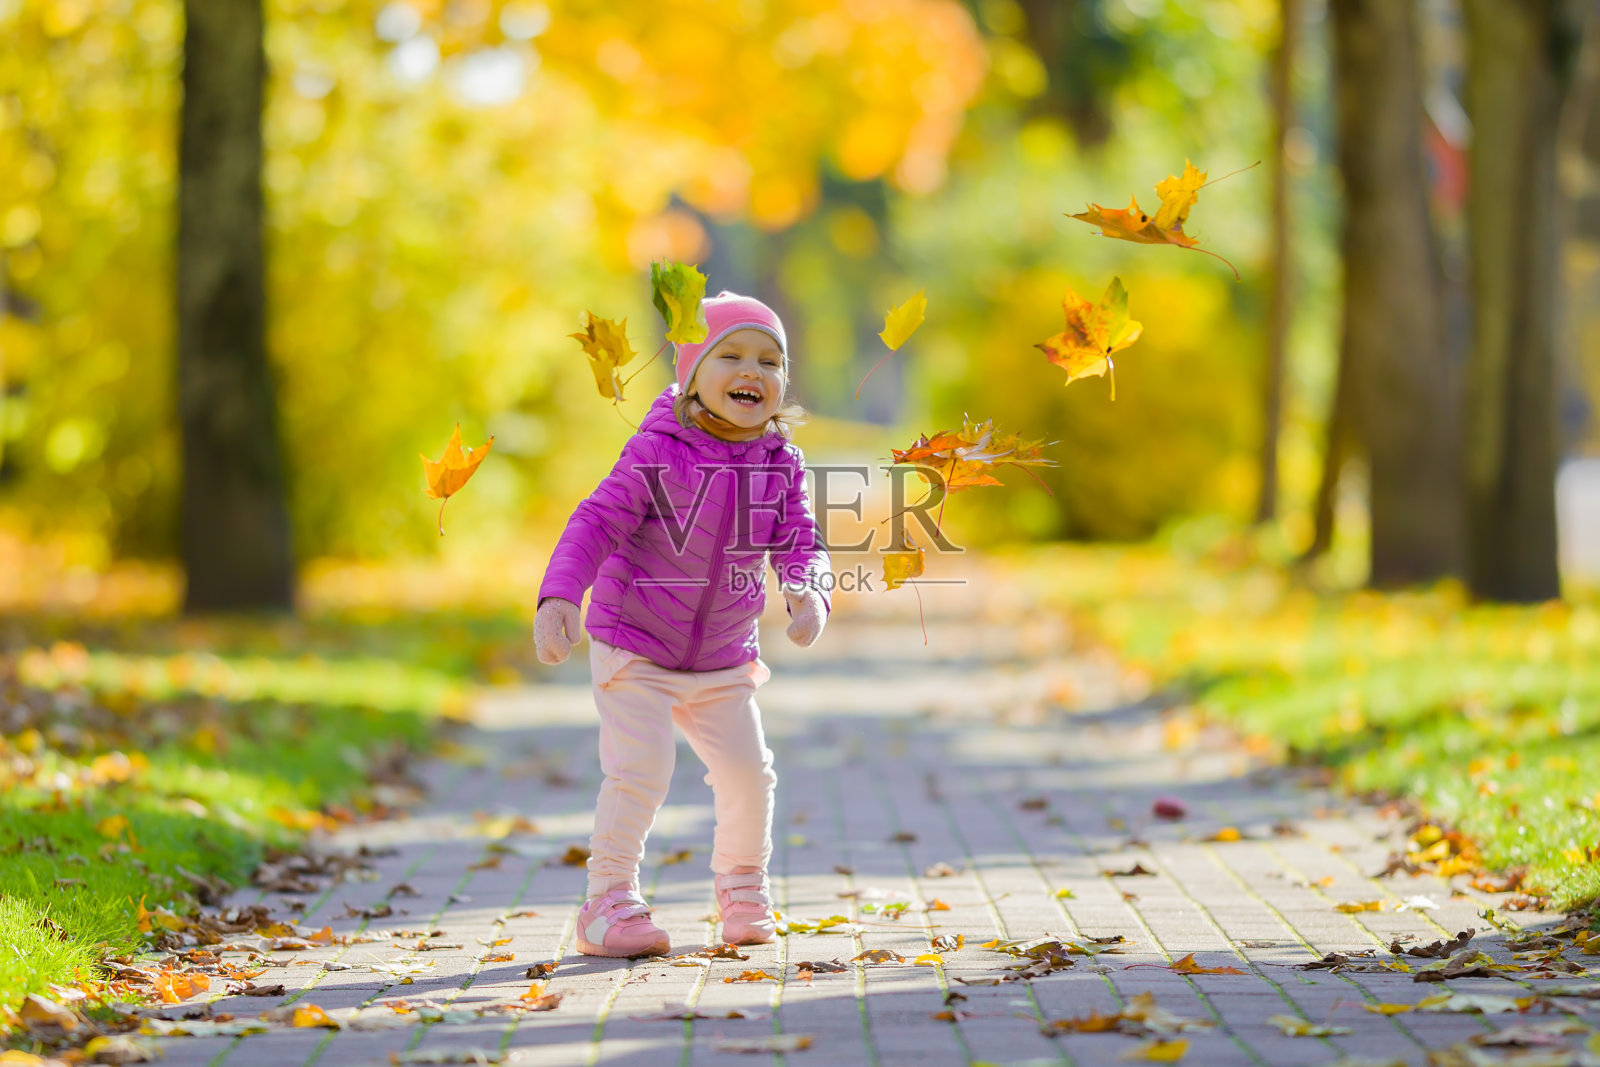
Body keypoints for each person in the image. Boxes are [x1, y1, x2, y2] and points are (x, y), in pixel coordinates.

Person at [533, 291, 832, 958]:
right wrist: (560, 597)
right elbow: (595, 522)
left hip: (723, 653)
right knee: (643, 766)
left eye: (770, 359)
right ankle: (607, 902)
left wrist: (809, 590)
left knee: (749, 772)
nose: (752, 370)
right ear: (691, 372)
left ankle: (743, 887)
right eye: (730, 355)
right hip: (634, 641)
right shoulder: (656, 450)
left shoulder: (780, 462)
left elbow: (800, 540)